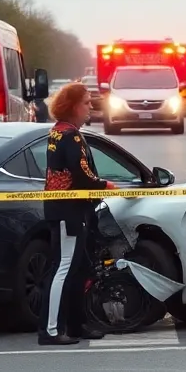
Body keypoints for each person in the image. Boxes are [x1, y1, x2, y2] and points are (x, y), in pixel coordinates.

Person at [40, 82, 116, 345]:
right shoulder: (70, 136)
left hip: (69, 209)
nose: (91, 107)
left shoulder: (58, 132)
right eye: (86, 102)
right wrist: (104, 185)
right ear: (73, 106)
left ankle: (76, 324)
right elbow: (81, 174)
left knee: (79, 268)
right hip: (68, 212)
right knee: (63, 268)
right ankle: (50, 330)